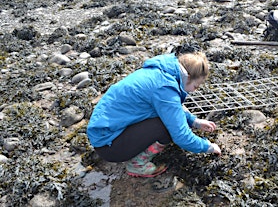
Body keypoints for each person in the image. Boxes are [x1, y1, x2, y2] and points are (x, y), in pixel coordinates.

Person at [86, 52, 222, 178]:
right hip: (108, 146)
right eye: (196, 86)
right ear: (188, 77)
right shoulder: (164, 89)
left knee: (167, 119)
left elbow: (171, 108)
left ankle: (129, 149)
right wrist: (208, 147)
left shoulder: (161, 72)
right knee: (166, 128)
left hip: (102, 132)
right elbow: (181, 136)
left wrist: (194, 121)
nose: (193, 91)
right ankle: (137, 165)